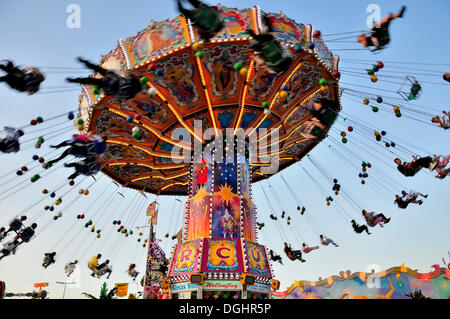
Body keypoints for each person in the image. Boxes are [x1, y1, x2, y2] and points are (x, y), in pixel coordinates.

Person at [66, 57, 144, 100]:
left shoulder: (133, 87)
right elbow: (118, 95)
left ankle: (81, 71)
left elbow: (128, 77)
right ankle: (77, 78)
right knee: (93, 78)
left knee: (95, 75)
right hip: (112, 83)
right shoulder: (131, 92)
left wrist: (129, 75)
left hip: (113, 82)